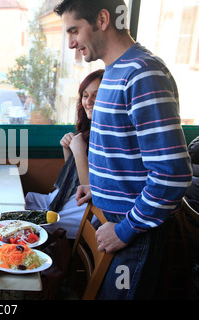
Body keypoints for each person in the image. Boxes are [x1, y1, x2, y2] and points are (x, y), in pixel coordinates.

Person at [55, 0, 192, 299]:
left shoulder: (143, 73)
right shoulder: (115, 72)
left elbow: (173, 174)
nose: (71, 43)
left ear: (103, 19)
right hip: (114, 221)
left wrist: (125, 230)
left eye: (74, 30)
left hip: (134, 234)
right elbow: (128, 154)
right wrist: (102, 188)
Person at [25, 69, 104, 239]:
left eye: (96, 96)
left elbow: (87, 189)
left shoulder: (108, 137)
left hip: (81, 209)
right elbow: (74, 177)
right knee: (24, 199)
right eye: (85, 95)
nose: (89, 101)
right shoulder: (91, 130)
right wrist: (68, 149)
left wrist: (79, 150)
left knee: (21, 221)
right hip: (63, 197)